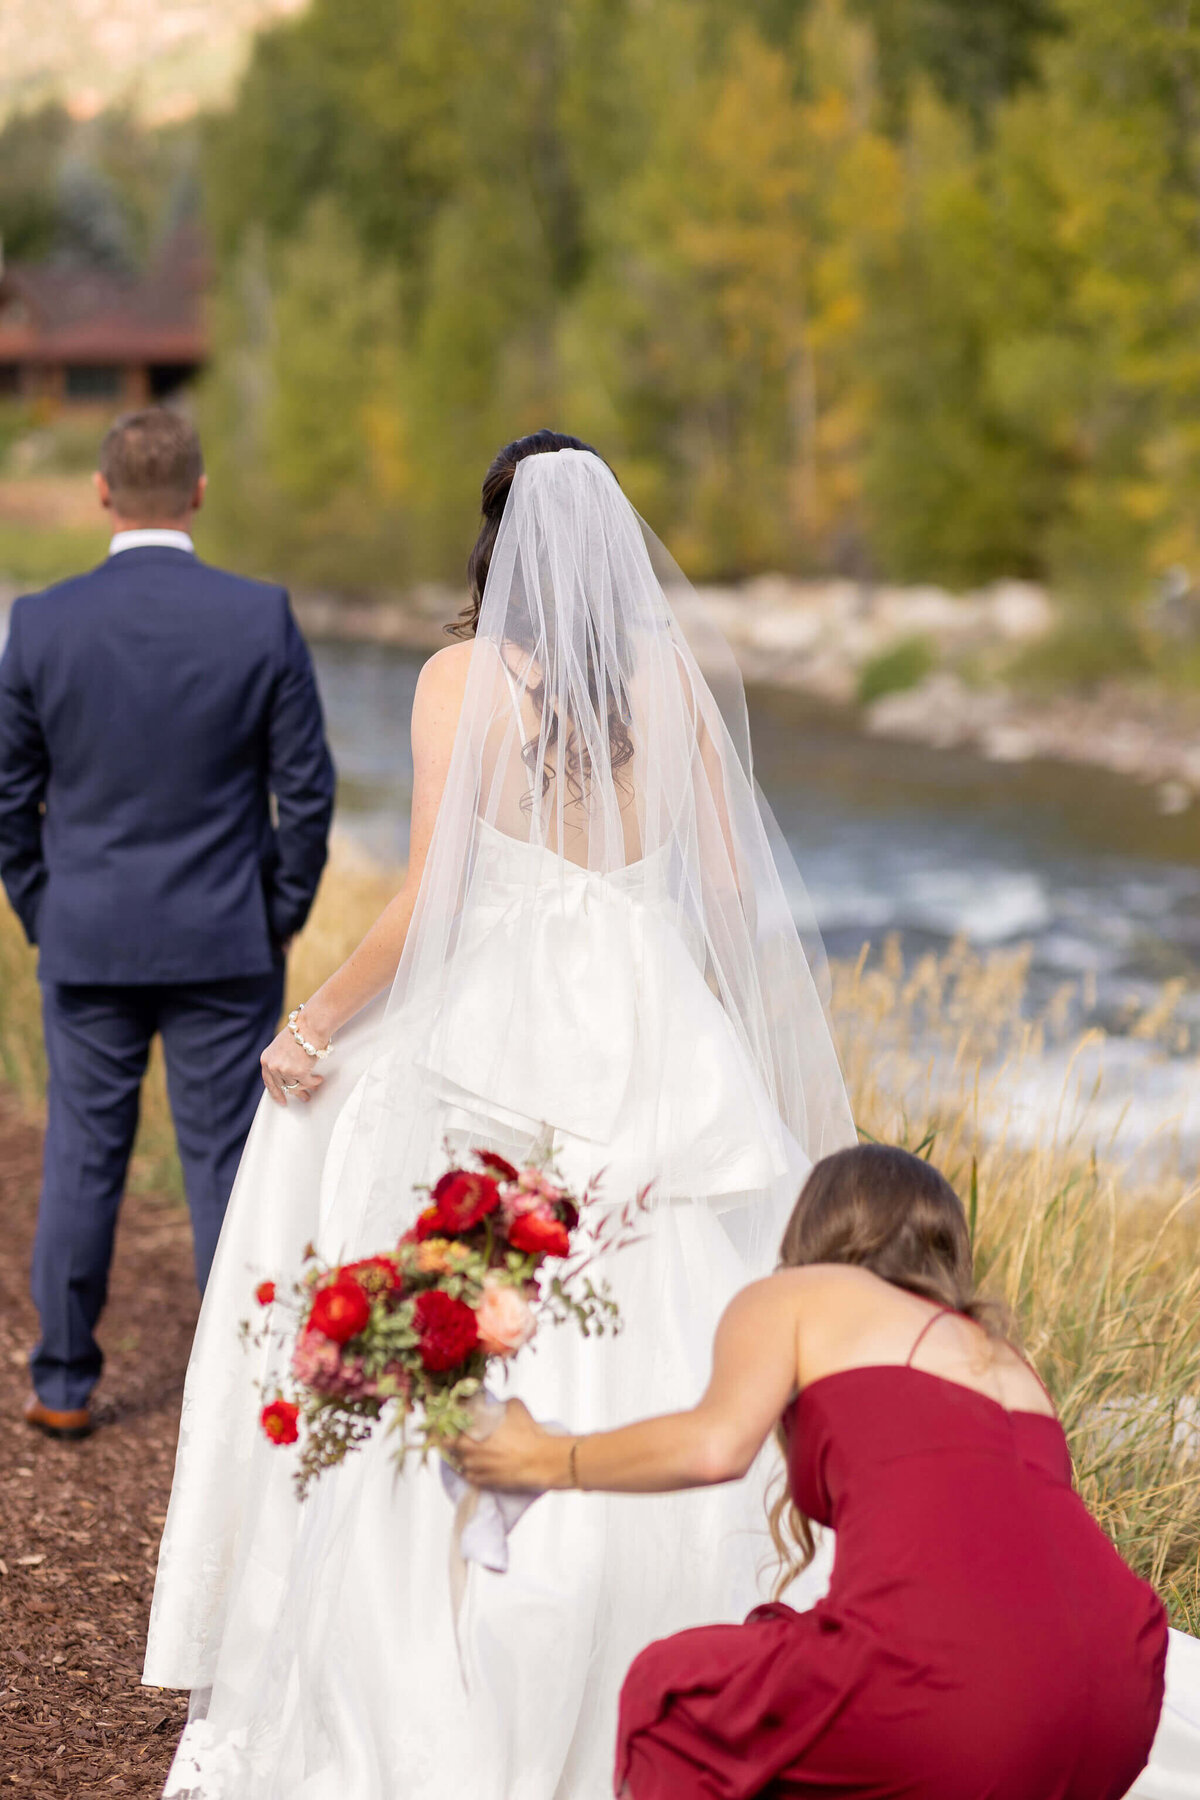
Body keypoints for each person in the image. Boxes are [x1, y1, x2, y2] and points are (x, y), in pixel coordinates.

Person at [142, 435, 857, 1798]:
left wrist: (314, 1025)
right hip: (652, 1021)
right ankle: (701, 1644)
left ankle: (457, 1653)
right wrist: (676, 1013)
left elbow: (435, 896)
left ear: (497, 543)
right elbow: (722, 886)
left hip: (509, 1031)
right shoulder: (673, 681)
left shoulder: (460, 680)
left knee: (450, 1311)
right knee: (679, 1303)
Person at [456, 1144, 1170, 1800]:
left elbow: (715, 1447)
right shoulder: (1011, 1363)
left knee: (676, 1694)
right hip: (1119, 1694)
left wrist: (545, 1459)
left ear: (815, 1229)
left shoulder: (801, 1293)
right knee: (789, 1664)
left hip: (955, 1683)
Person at [0, 407, 334, 1442]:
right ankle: (240, 1392)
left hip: (89, 935)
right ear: (196, 493)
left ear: (102, 493)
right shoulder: (260, 616)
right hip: (225, 940)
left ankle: (61, 1380)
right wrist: (272, 913)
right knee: (228, 1161)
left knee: (84, 1155)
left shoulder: (42, 622)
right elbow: (308, 796)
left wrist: (44, 908)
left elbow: (11, 797)